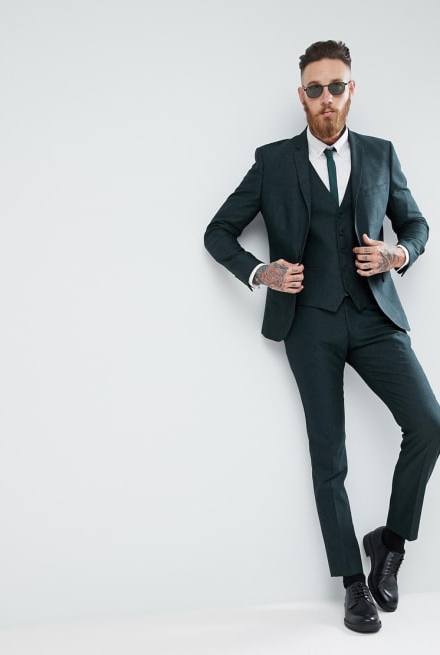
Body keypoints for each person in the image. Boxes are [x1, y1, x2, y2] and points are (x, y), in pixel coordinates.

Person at [204, 40, 440, 633]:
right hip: (308, 323)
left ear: (351, 89)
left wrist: (397, 254)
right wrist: (262, 272)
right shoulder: (273, 162)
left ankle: (390, 544)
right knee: (328, 455)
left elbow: (416, 224)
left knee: (429, 424)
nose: (327, 98)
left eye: (337, 86)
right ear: (302, 95)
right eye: (316, 89)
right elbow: (218, 231)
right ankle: (353, 583)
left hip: (375, 317)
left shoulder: (381, 154)